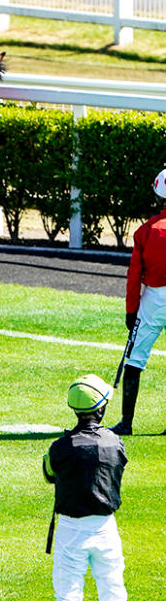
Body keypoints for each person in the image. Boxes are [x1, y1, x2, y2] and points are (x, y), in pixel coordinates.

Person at [38, 375, 131, 601]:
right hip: (106, 529)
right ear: (100, 410)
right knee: (115, 596)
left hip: (71, 531)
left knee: (68, 598)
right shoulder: (115, 442)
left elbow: (49, 474)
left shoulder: (60, 447)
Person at [111, 167, 166, 435]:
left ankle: (126, 423)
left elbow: (134, 277)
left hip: (154, 300)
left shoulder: (146, 231)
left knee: (134, 360)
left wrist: (131, 311)